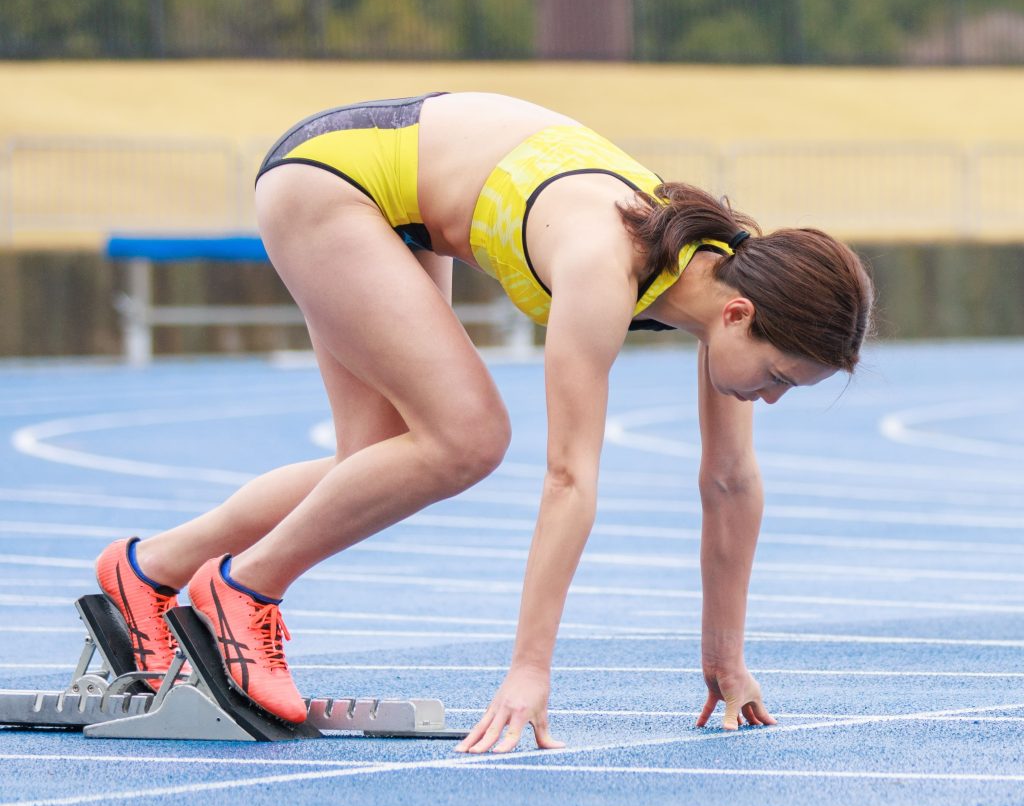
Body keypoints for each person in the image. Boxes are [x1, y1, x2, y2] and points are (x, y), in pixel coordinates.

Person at [94, 91, 873, 753]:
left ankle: (151, 568)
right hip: (332, 182)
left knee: (378, 462)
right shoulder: (606, 268)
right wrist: (529, 670)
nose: (769, 399)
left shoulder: (717, 276)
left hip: (391, 200)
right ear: (740, 315)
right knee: (468, 438)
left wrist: (725, 659)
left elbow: (730, 481)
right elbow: (569, 477)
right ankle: (244, 590)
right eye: (776, 378)